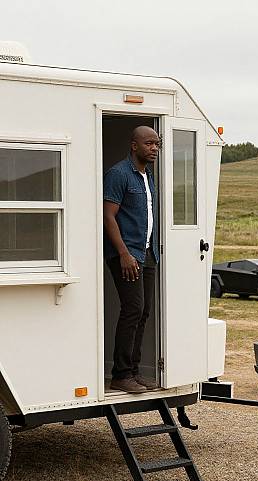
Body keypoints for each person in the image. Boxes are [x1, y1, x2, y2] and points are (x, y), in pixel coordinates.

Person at [103, 126, 160, 393]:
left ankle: (134, 372)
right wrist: (124, 253)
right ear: (134, 145)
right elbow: (108, 216)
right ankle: (121, 374)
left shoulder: (148, 177)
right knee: (132, 309)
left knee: (144, 311)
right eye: (149, 143)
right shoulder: (118, 174)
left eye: (157, 144)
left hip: (148, 254)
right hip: (126, 254)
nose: (154, 148)